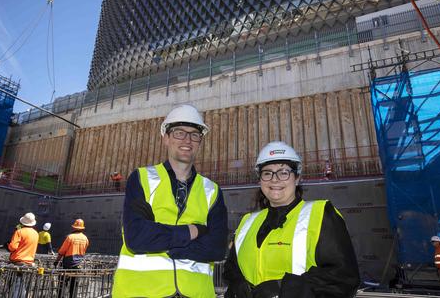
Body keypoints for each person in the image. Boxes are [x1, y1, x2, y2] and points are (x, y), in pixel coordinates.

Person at [112, 104, 228, 298]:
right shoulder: (142, 178)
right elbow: (137, 238)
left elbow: (217, 249)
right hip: (141, 292)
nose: (187, 140)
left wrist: (163, 239)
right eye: (179, 133)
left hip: (196, 293)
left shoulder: (212, 190)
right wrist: (194, 231)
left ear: (200, 141)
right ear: (165, 138)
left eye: (194, 134)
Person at [224, 141, 360, 298]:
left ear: (297, 178)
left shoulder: (321, 214)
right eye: (267, 173)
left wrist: (282, 288)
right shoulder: (247, 222)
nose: (274, 180)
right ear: (260, 179)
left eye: (283, 173)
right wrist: (238, 285)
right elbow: (231, 269)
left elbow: (343, 277)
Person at [54, 218, 90, 297]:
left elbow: (62, 251)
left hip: (68, 263)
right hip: (78, 264)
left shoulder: (70, 237)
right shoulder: (85, 238)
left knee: (62, 283)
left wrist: (56, 261)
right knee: (74, 285)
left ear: (74, 227)